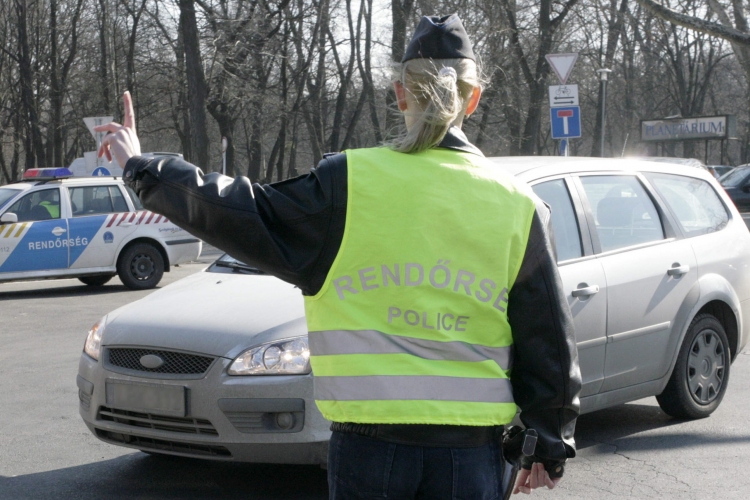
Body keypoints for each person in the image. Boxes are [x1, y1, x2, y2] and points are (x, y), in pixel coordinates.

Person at [97, 14, 580, 499]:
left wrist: (144, 167)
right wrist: (548, 441)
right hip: (470, 458)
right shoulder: (520, 206)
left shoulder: (346, 183)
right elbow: (549, 340)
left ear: (399, 93)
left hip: (367, 451)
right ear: (472, 99)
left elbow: (237, 211)